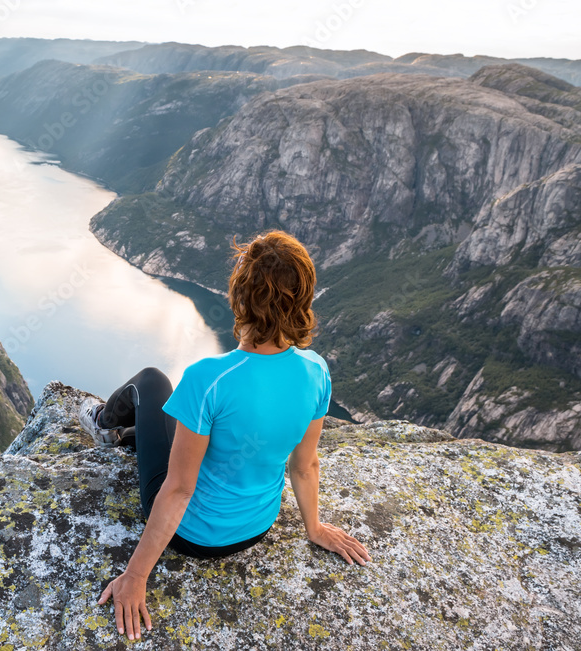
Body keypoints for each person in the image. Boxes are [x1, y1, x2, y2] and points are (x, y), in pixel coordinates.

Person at [81, 230, 372, 641]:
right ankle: (129, 436)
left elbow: (179, 489)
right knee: (178, 433)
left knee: (150, 381)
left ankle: (101, 423)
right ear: (303, 299)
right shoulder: (316, 371)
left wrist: (135, 575)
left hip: (193, 534)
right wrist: (315, 528)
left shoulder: (208, 379)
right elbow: (305, 465)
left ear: (240, 297)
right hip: (257, 526)